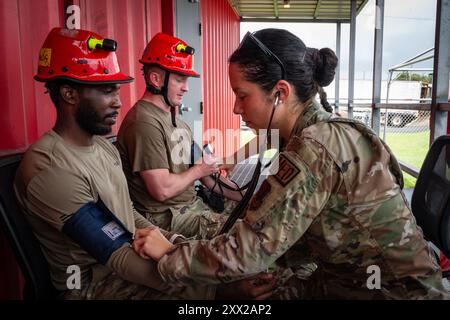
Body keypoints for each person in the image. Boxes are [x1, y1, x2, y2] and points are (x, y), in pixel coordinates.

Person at [133, 28, 450, 299]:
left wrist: (170, 254)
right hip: (353, 276)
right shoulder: (327, 131)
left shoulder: (312, 148)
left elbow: (248, 252)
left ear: (280, 93)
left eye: (242, 96)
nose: (235, 109)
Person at [14, 27, 276, 300]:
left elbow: (129, 215)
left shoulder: (104, 148)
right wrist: (215, 289)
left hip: (128, 256)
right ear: (69, 94)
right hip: (92, 284)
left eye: (117, 90)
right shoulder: (48, 167)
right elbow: (114, 251)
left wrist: (180, 246)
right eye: (106, 91)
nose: (118, 102)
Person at [116, 33, 242, 240]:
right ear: (156, 79)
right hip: (168, 217)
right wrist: (200, 169)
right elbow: (162, 190)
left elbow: (208, 178)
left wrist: (251, 198)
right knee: (247, 238)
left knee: (257, 216)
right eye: (179, 80)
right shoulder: (144, 122)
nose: (186, 87)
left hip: (191, 206)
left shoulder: (176, 121)